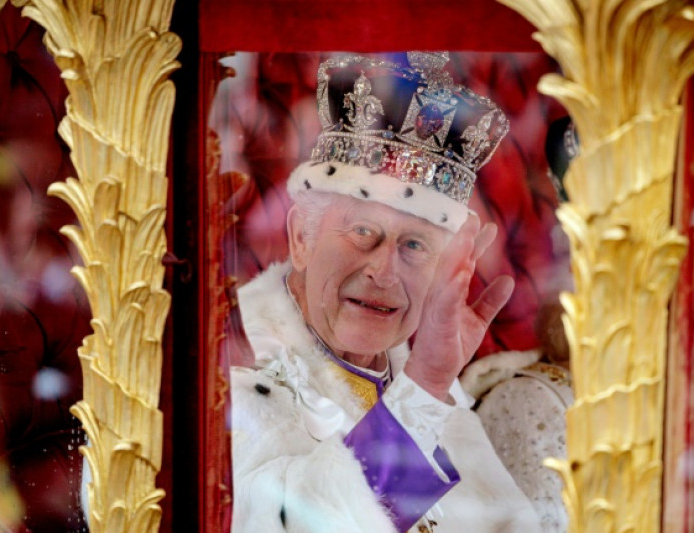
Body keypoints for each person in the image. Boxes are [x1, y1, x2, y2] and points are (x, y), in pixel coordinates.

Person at [229, 52, 541, 533]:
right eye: (362, 231)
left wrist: (429, 388)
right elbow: (289, 522)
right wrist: (423, 392)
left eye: (415, 245)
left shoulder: (417, 377)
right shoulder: (234, 374)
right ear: (301, 238)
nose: (384, 271)